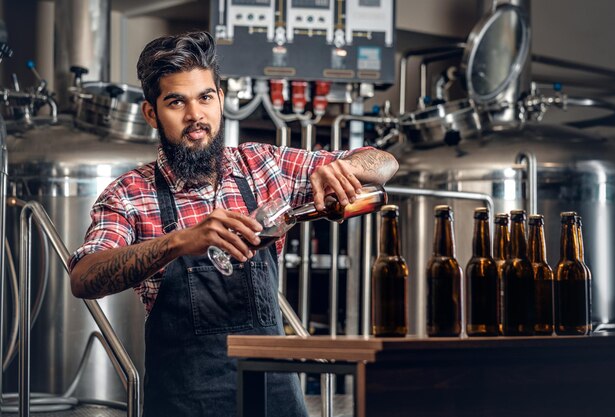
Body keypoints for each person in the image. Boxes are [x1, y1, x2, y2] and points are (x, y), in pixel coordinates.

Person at [68, 31, 398, 417]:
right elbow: (84, 277)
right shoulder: (129, 193)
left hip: (275, 402)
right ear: (151, 113)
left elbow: (384, 163)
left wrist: (347, 167)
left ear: (221, 100)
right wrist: (179, 242)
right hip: (185, 405)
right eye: (177, 102)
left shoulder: (263, 165)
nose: (195, 116)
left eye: (205, 98)